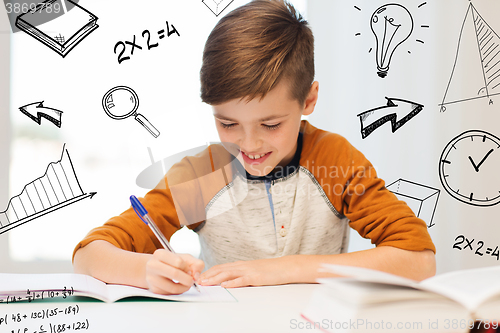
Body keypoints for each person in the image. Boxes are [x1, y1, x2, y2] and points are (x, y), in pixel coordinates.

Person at [73, 0, 436, 295]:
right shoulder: (203, 174)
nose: (249, 144)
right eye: (228, 124)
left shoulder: (334, 160)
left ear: (308, 100)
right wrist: (145, 269)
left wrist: (284, 270)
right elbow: (89, 256)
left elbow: (418, 261)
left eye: (271, 124)